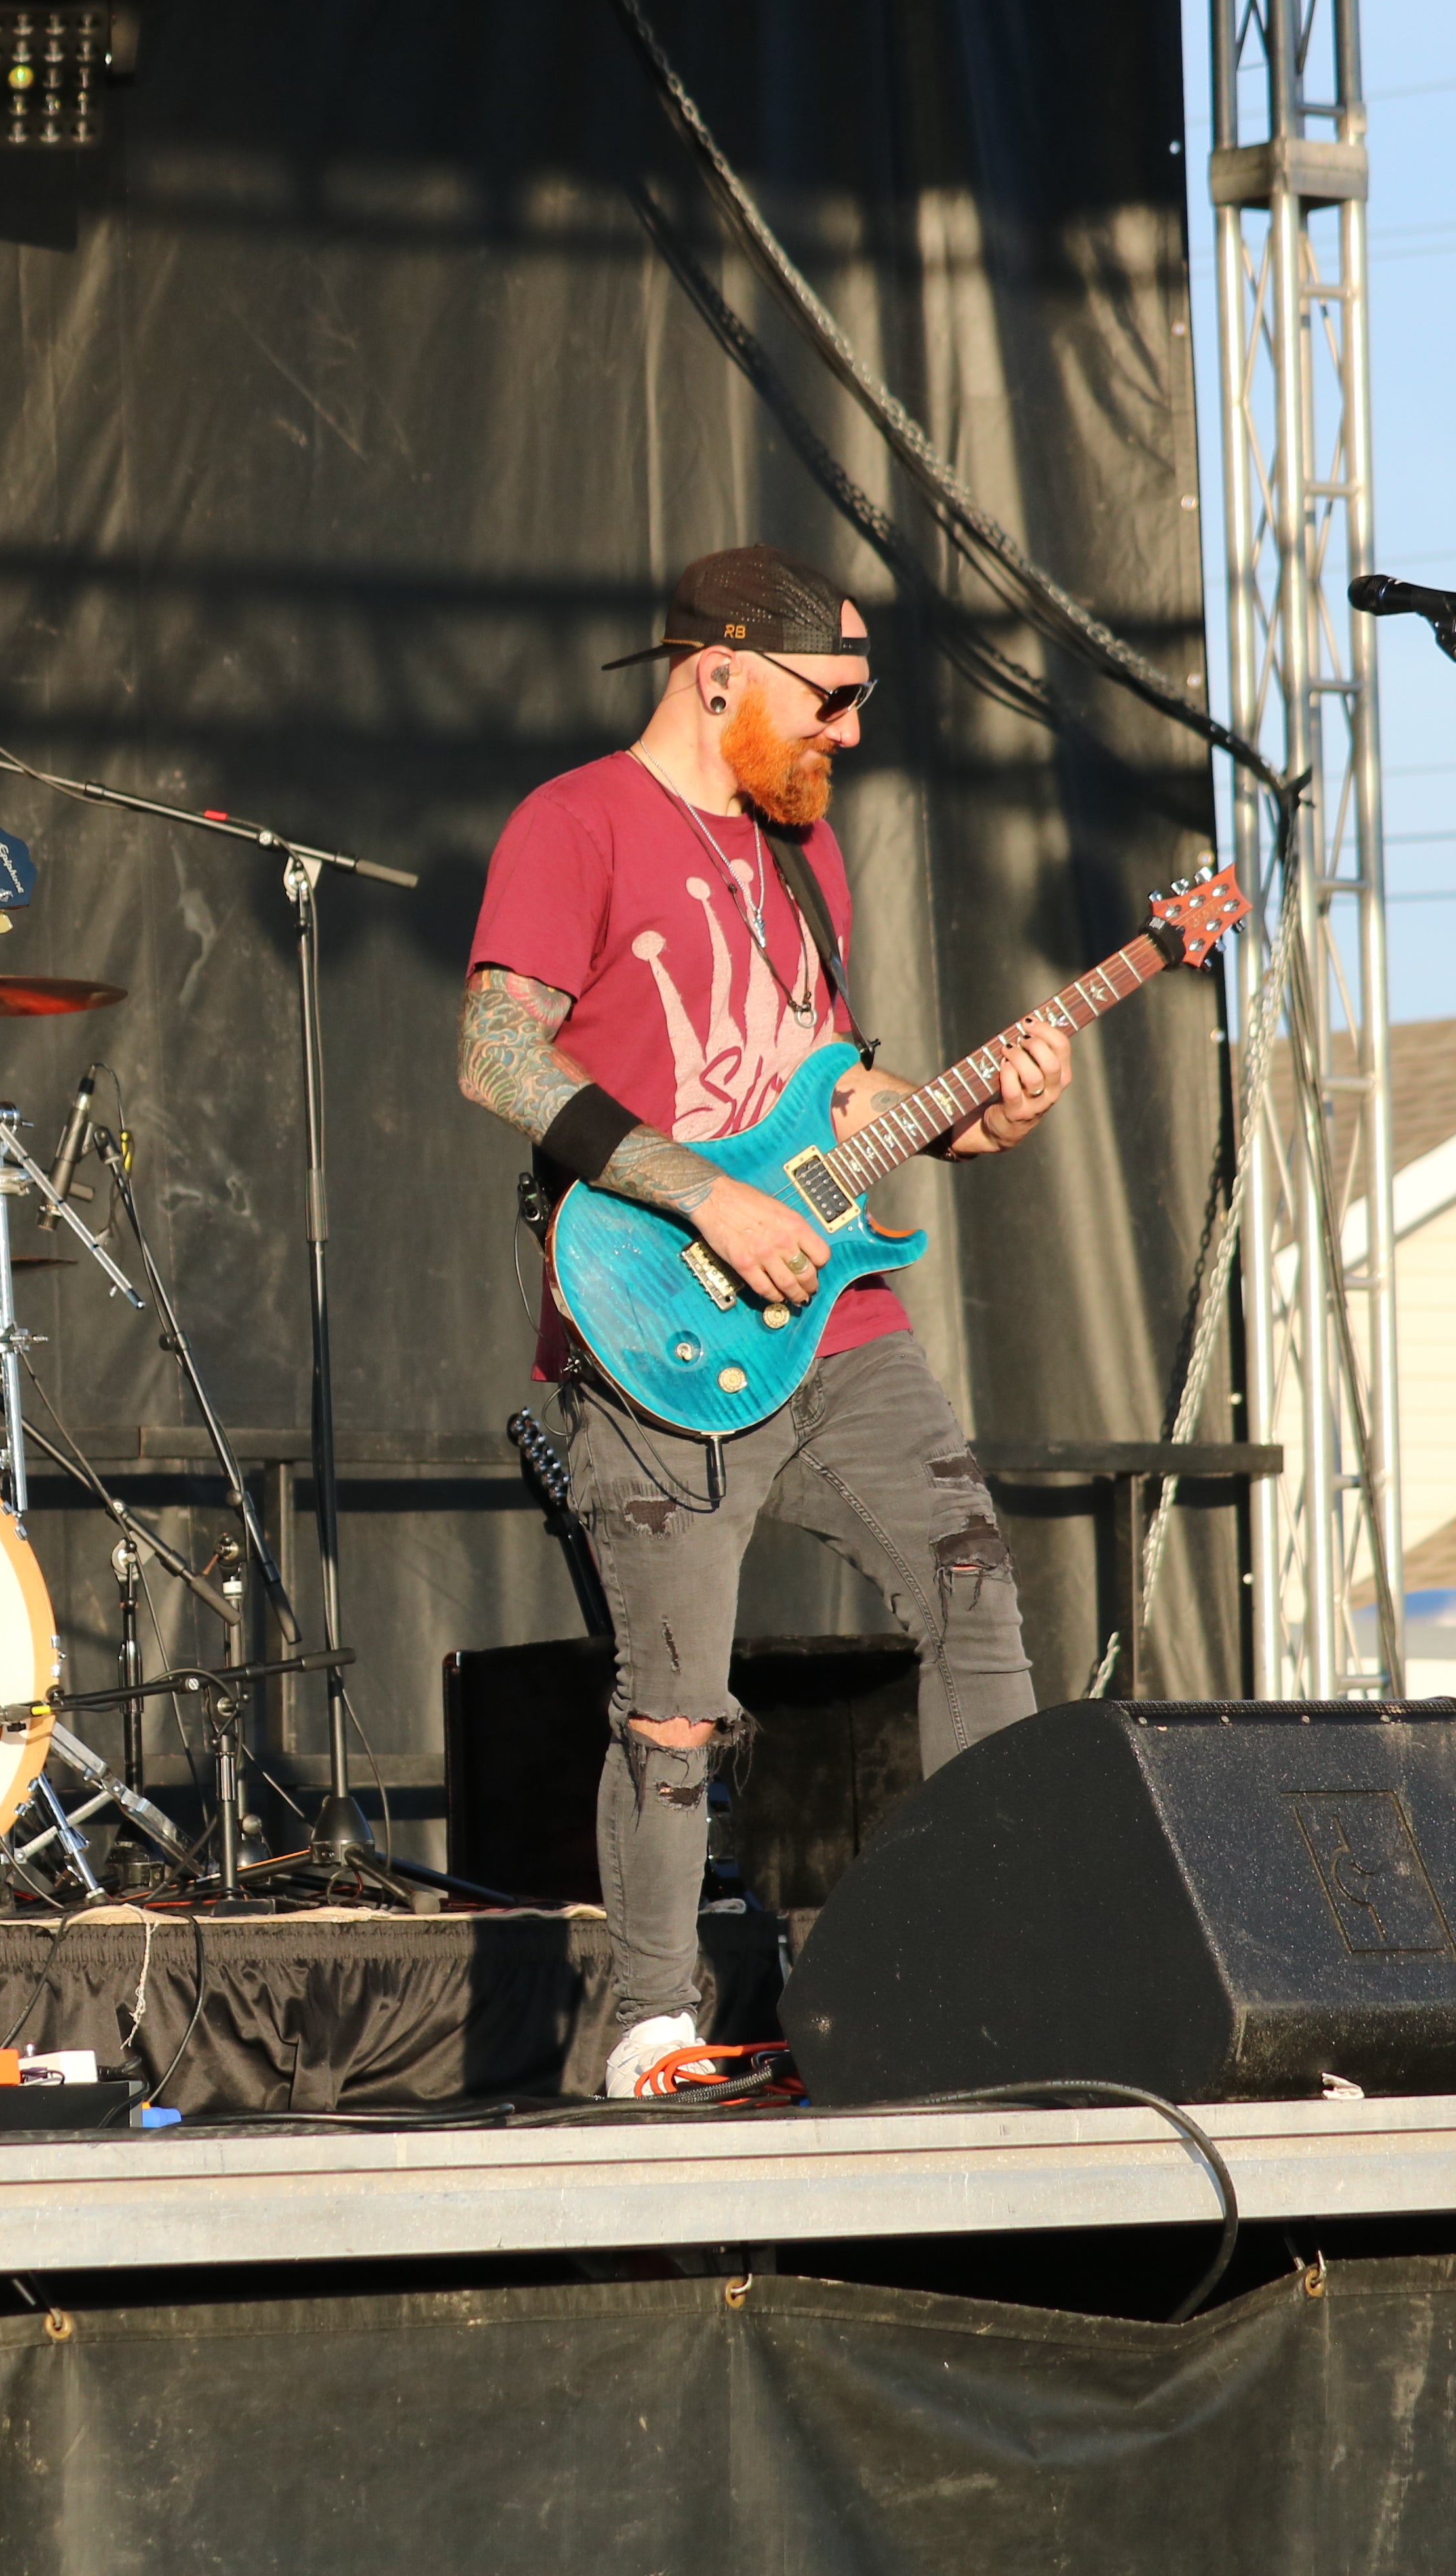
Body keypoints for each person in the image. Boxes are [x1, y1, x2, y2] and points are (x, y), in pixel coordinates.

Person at [454, 544, 1075, 2096]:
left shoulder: (810, 856)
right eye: (834, 700)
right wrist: (697, 1197)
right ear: (717, 669)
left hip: (842, 1324)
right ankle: (647, 2023)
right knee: (676, 1697)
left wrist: (971, 1121)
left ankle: (998, 1961)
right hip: (655, 1325)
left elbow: (838, 1097)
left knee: (977, 1595)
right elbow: (494, 1054)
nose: (852, 733)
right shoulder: (575, 819)